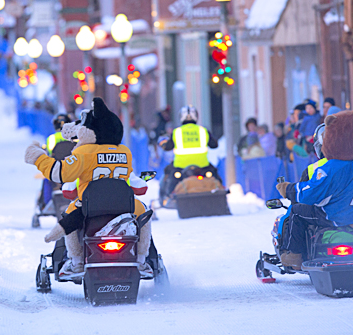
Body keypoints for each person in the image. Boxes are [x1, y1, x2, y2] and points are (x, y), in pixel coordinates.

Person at [25, 98, 153, 277]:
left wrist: (38, 158)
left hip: (90, 207)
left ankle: (76, 262)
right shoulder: (125, 152)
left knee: (69, 218)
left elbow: (61, 174)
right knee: (144, 218)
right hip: (124, 206)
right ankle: (141, 259)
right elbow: (139, 187)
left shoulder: (83, 152)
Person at [276, 109, 353, 270]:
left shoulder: (332, 166)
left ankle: (295, 255)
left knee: (296, 211)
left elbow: (310, 193)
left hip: (335, 216)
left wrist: (289, 189)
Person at [158, 105, 219, 198]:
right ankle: (220, 193)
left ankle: (168, 197)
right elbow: (214, 145)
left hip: (180, 167)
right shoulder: (203, 130)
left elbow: (168, 147)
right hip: (202, 166)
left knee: (168, 175)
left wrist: (163, 144)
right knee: (215, 176)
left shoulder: (177, 132)